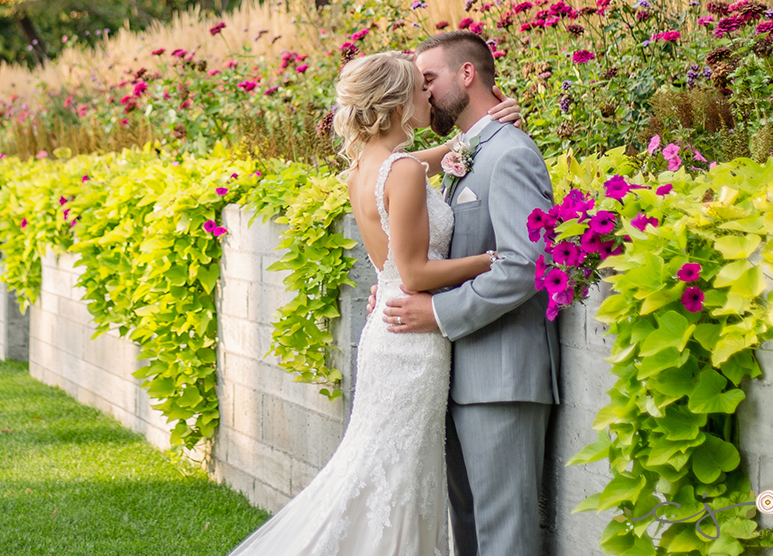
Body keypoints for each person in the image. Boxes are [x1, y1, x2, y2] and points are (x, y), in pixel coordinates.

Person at [226, 50, 522, 556]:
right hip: (411, 343)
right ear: (399, 101)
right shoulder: (402, 171)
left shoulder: (368, 167)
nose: (430, 94)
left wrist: (486, 125)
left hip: (391, 330)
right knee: (399, 475)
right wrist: (489, 260)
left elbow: (448, 157)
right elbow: (415, 273)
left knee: (382, 471)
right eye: (420, 87)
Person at [378, 31, 560, 556]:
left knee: (504, 536)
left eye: (429, 79)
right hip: (459, 374)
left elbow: (526, 266)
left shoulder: (511, 154)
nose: (424, 93)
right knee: (470, 532)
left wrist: (436, 311)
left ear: (466, 75)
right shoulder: (470, 151)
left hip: (504, 378)